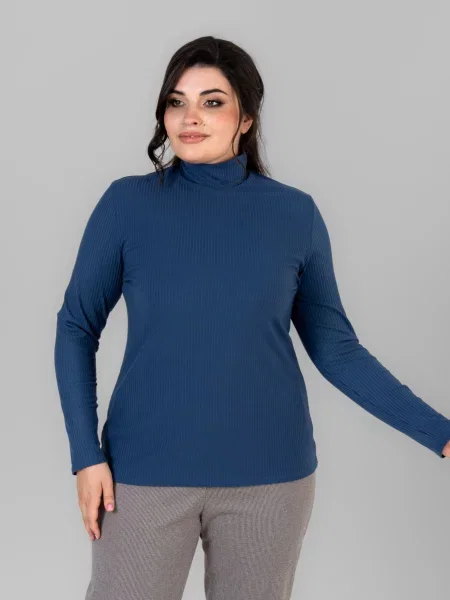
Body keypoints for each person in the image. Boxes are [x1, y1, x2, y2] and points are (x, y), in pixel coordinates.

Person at [54, 35, 450, 600]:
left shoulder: (294, 214)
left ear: (246, 118)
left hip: (271, 479)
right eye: (176, 102)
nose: (190, 117)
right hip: (140, 473)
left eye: (212, 102)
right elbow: (76, 327)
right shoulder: (127, 205)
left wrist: (441, 434)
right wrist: (85, 456)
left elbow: (336, 350)